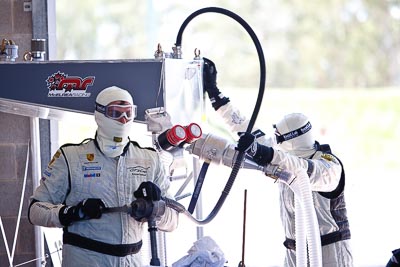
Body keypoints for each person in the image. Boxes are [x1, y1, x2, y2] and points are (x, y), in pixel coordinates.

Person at [202, 57, 353, 266]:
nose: (275, 141)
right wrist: (215, 95)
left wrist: (264, 152)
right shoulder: (284, 155)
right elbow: (245, 128)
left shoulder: (328, 167)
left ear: (290, 140)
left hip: (329, 255)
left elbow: (300, 170)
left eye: (279, 137)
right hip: (293, 251)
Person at [28, 86, 179, 267]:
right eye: (115, 112)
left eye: (128, 113)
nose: (123, 120)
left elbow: (174, 221)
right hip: (86, 260)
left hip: (133, 261)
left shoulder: (150, 159)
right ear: (99, 114)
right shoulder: (71, 157)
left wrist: (155, 209)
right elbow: (35, 211)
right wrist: (72, 213)